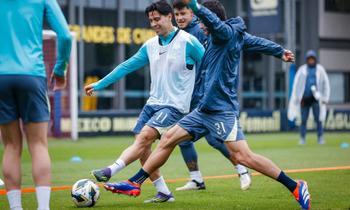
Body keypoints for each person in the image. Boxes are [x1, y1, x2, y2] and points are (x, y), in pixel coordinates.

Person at [103, 0, 311, 209]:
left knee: (243, 156)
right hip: (203, 109)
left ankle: (294, 185)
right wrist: (278, 51)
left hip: (222, 110)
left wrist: (193, 4)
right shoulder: (225, 36)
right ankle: (134, 183)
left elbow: (216, 23)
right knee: (168, 138)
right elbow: (256, 42)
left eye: (202, 21)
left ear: (211, 20)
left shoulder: (223, 33)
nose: (200, 25)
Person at [84, 0, 205, 203]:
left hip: (175, 106)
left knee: (145, 137)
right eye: (151, 20)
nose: (154, 23)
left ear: (170, 17)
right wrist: (100, 84)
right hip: (153, 103)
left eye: (157, 19)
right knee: (143, 146)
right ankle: (164, 192)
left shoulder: (188, 41)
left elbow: (212, 62)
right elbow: (126, 66)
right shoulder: (150, 45)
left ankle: (110, 170)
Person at [173, 0, 251, 191]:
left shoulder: (201, 31)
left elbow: (214, 63)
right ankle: (196, 179)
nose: (180, 18)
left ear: (193, 14)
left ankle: (242, 169)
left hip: (206, 97)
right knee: (180, 139)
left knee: (215, 139)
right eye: (177, 14)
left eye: (184, 13)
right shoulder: (178, 35)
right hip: (188, 96)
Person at [0, 1, 72, 210]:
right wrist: (60, 69)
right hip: (31, 74)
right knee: (38, 144)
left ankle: (16, 208)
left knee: (11, 145)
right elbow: (66, 36)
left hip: (1, 76)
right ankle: (43, 208)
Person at [288, 50, 330, 145]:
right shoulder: (302, 69)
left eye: (312, 59)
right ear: (307, 60)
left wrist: (325, 98)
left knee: (318, 119)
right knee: (303, 119)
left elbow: (326, 84)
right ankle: (302, 138)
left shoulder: (320, 69)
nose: (311, 61)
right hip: (304, 99)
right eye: (309, 59)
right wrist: (296, 97)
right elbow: (296, 85)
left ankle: (320, 138)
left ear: (315, 59)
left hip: (316, 99)